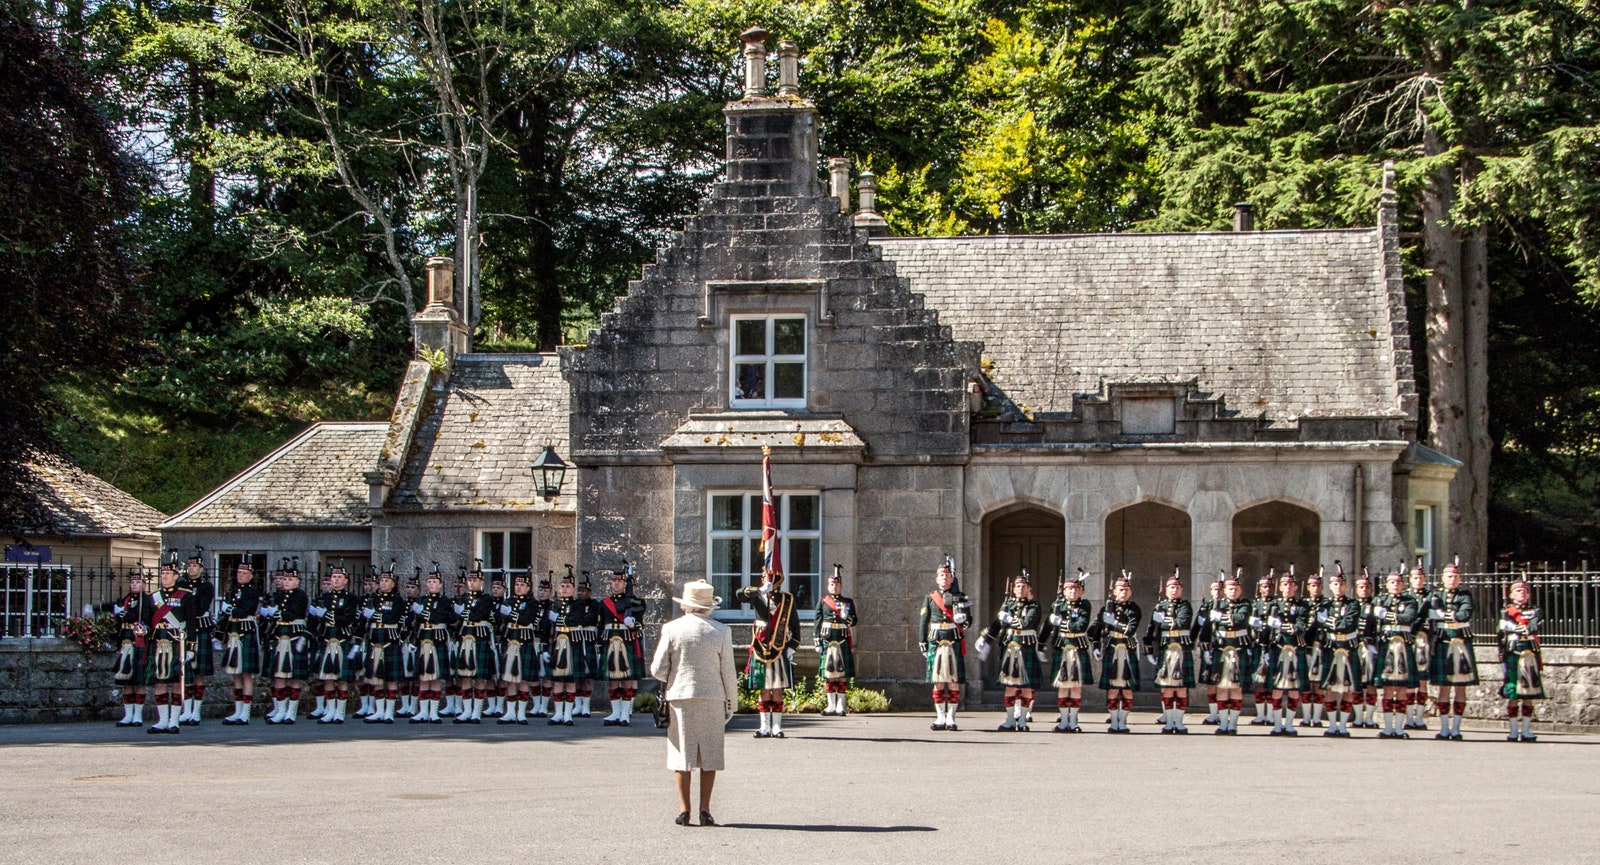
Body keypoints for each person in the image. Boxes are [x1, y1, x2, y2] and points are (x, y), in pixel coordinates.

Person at [650, 579, 737, 828]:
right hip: (712, 696)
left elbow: (657, 668)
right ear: (709, 606)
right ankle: (705, 810)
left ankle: (684, 810)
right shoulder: (721, 631)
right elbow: (728, 672)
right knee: (710, 754)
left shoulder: (672, 629)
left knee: (682, 754)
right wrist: (731, 703)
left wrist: (672, 676)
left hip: (680, 695)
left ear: (685, 604)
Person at [736, 570, 800, 738]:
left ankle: (777, 727)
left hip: (779, 647)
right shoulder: (757, 596)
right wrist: (759, 591)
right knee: (764, 689)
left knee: (777, 689)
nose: (765, 579)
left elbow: (795, 624)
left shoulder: (786, 599)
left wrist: (792, 646)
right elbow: (739, 595)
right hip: (760, 647)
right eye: (764, 577)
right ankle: (764, 727)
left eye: (769, 577)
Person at [979, 573, 1043, 731]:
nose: (1020, 589)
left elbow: (1027, 623)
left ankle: (1022, 720)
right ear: (1014, 589)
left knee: (1026, 686)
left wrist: (1009, 620)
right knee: (1010, 686)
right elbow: (998, 624)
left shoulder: (1034, 606)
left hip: (1026, 647)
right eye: (1018, 586)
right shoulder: (1007, 604)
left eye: (1023, 586)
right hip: (1010, 648)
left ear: (1029, 589)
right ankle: (1009, 719)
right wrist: (987, 639)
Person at [918, 561, 971, 731]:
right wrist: (922, 641)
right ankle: (940, 717)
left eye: (947, 576)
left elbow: (968, 621)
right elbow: (923, 621)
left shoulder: (961, 597)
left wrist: (963, 619)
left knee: (953, 682)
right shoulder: (930, 597)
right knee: (938, 682)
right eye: (941, 575)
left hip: (953, 640)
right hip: (936, 642)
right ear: (936, 579)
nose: (944, 578)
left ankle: (951, 718)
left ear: (952, 578)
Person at [145, 561, 197, 734]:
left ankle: (174, 720)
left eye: (168, 574)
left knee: (176, 682)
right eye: (162, 574)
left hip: (177, 642)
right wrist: (143, 629)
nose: (164, 576)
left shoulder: (186, 596)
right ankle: (162, 721)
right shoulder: (153, 597)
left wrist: (191, 647)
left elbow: (191, 623)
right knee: (159, 682)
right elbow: (147, 621)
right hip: (159, 641)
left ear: (176, 576)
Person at [1429, 562, 1477, 740]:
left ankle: (1456, 729)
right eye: (1449, 576)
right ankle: (1444, 728)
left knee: (1460, 687)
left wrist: (1442, 614)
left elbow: (1465, 614)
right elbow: (1427, 613)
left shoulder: (1465, 595)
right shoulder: (1436, 595)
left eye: (1456, 576)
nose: (1452, 579)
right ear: (1443, 578)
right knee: (1444, 688)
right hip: (1443, 642)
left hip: (1461, 643)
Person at [1041, 573, 1094, 733]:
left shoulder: (1084, 605)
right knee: (1063, 686)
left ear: (1081, 591)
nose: (1072, 592)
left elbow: (1081, 625)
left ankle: (1073, 721)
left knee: (1076, 687)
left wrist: (1063, 623)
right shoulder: (1058, 604)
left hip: (1078, 647)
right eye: (1069, 589)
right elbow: (1047, 626)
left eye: (1075, 589)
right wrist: (1041, 643)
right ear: (1063, 591)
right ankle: (1063, 720)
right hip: (1062, 646)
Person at [1144, 573, 1194, 734]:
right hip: (1165, 649)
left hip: (1180, 648)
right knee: (1166, 687)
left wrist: (1163, 621)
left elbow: (1182, 622)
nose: (1174, 590)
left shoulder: (1185, 606)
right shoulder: (1160, 606)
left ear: (1181, 589)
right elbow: (1151, 630)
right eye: (1171, 587)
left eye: (1177, 587)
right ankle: (1169, 721)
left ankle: (1179, 723)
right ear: (1166, 589)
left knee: (1181, 688)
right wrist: (1149, 650)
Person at [1373, 570, 1421, 739]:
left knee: (1401, 688)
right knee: (1387, 689)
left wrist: (1386, 615)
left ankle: (1399, 728)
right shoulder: (1380, 600)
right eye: (1392, 582)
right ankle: (1388, 728)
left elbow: (1408, 617)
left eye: (1399, 582)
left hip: (1403, 645)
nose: (1395, 585)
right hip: (1386, 645)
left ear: (1403, 585)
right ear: (1387, 585)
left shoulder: (1410, 601)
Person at [310, 564, 360, 724]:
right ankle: (330, 711)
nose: (336, 580)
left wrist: (327, 615)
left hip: (341, 639)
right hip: (326, 640)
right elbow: (315, 621)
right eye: (333, 577)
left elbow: (348, 619)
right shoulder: (324, 598)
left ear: (346, 581)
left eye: (339, 577)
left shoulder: (351, 598)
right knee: (328, 679)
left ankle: (340, 712)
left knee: (342, 679)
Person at [1203, 573, 1253, 735]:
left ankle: (1233, 724)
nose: (1233, 591)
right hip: (1221, 648)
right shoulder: (1217, 604)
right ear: (1224, 590)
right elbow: (1207, 629)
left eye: (1236, 589)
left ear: (1240, 590)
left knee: (1236, 688)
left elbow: (1241, 619)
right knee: (1222, 688)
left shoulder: (1245, 604)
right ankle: (1223, 723)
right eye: (1230, 588)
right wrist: (1206, 649)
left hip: (1238, 648)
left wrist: (1222, 617)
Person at [546, 568, 595, 726]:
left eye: (568, 586)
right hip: (558, 644)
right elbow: (548, 624)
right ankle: (558, 714)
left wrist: (559, 619)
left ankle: (568, 714)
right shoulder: (555, 604)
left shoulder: (578, 604)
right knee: (558, 681)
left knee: (571, 682)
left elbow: (576, 619)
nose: (565, 589)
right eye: (562, 586)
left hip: (573, 643)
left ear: (573, 589)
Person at [599, 566, 648, 727]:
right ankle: (615, 712)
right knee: (613, 679)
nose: (615, 583)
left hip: (626, 641)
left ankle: (625, 713)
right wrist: (599, 647)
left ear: (625, 583)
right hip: (610, 641)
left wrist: (633, 624)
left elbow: (640, 624)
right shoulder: (605, 603)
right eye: (613, 580)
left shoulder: (636, 602)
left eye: (619, 581)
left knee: (627, 679)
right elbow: (601, 625)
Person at [263, 560, 310, 725]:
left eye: (290, 579)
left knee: (294, 677)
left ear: (297, 581)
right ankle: (281, 710)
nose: (286, 582)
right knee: (279, 675)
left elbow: (292, 613)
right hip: (279, 637)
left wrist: (277, 614)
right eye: (285, 579)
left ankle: (291, 711)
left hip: (294, 637)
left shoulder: (300, 596)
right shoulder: (278, 595)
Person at [1265, 571, 1311, 736]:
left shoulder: (1302, 605)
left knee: (1294, 688)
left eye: (1291, 585)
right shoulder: (1274, 605)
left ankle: (1289, 724)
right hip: (1277, 649)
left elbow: (1301, 627)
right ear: (1280, 587)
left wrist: (1281, 626)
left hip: (1295, 649)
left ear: (1296, 587)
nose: (1288, 587)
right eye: (1285, 584)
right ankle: (1277, 724)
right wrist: (1265, 649)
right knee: (1276, 688)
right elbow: (1266, 630)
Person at [1319, 571, 1365, 738]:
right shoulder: (1325, 604)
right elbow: (1318, 621)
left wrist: (1330, 622)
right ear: (1330, 586)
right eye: (1335, 584)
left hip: (1348, 648)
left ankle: (1343, 726)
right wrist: (1334, 623)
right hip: (1331, 648)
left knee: (1348, 688)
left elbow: (1349, 623)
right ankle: (1332, 725)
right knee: (1330, 688)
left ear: (1345, 586)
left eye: (1341, 584)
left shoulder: (1353, 604)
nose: (1338, 587)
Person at [410, 566, 458, 723]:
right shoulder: (421, 600)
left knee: (436, 677)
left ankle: (434, 712)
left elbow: (440, 617)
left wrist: (424, 613)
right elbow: (414, 620)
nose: (431, 584)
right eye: (429, 582)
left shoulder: (444, 601)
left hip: (437, 638)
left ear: (440, 584)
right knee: (424, 678)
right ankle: (423, 712)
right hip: (424, 638)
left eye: (434, 582)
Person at [1096, 575, 1142, 733]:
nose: (1124, 592)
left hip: (1127, 648)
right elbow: (1095, 628)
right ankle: (1114, 720)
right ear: (1114, 591)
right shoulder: (1107, 608)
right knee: (1113, 689)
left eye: (1126, 590)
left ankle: (1123, 721)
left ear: (1131, 592)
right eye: (1121, 589)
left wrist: (1114, 623)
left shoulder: (1134, 609)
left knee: (1127, 689)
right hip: (1111, 647)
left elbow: (1130, 630)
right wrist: (1095, 646)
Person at [106, 569, 152, 727]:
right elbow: (115, 610)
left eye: (138, 582)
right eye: (132, 582)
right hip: (125, 642)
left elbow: (142, 617)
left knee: (139, 682)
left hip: (138, 642)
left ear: (144, 584)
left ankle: (138, 716)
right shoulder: (126, 599)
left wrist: (124, 615)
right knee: (126, 681)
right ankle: (128, 715)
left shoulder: (146, 600)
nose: (134, 585)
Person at [1499, 579, 1543, 743]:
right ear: (1511, 595)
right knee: (1513, 691)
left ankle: (1526, 730)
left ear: (1528, 595)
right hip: (1513, 651)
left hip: (1529, 652)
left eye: (1524, 591)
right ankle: (1513, 731)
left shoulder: (1535, 610)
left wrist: (1523, 628)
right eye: (1518, 591)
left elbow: (1535, 625)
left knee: (1528, 692)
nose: (1522, 593)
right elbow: (1502, 629)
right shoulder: (1506, 611)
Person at [220, 559, 263, 725]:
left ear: (251, 575)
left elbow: (245, 611)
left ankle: (245, 712)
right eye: (239, 572)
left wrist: (230, 609)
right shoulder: (232, 590)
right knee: (235, 674)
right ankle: (237, 711)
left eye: (244, 573)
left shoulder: (252, 591)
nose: (241, 575)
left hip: (246, 632)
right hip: (234, 632)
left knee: (246, 674)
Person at [453, 564, 497, 724]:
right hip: (466, 637)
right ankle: (466, 711)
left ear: (481, 581)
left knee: (479, 678)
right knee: (465, 677)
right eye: (470, 580)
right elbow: (455, 617)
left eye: (475, 580)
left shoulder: (486, 598)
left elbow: (480, 614)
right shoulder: (463, 598)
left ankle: (477, 712)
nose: (472, 583)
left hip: (479, 637)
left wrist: (466, 613)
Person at [363, 566, 406, 723]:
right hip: (375, 640)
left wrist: (375, 616)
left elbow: (393, 617)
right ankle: (379, 711)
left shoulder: (397, 600)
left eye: (387, 580)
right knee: (377, 678)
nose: (383, 583)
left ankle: (389, 712)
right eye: (381, 580)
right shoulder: (373, 599)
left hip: (389, 639)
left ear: (393, 584)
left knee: (391, 679)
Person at [813, 565, 858, 717]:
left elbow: (854, 621)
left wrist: (847, 617)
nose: (834, 586)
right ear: (828, 586)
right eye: (832, 584)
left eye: (837, 584)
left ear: (841, 586)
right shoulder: (823, 602)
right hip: (827, 639)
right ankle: (831, 705)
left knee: (842, 674)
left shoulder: (848, 602)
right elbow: (817, 622)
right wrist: (817, 641)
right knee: (829, 673)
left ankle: (840, 705)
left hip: (842, 639)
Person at [499, 573, 542, 724]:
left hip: (524, 640)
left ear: (528, 587)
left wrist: (511, 614)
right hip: (511, 639)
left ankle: (521, 713)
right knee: (510, 679)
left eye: (522, 585)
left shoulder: (532, 603)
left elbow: (526, 619)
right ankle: (510, 712)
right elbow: (501, 619)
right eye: (517, 584)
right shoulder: (509, 601)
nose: (518, 587)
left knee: (524, 679)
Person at [177, 550, 214, 726]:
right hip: (185, 629)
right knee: (186, 673)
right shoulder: (181, 584)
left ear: (201, 568)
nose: (191, 568)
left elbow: (201, 608)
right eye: (189, 565)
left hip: (200, 628)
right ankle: (186, 710)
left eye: (195, 566)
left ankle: (196, 712)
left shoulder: (206, 587)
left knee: (199, 673)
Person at [1405, 564, 1436, 730]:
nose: (1418, 581)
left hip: (1425, 641)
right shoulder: (1405, 596)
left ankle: (1419, 718)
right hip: (1408, 641)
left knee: (1423, 681)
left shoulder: (1431, 597)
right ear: (1410, 579)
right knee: (1410, 682)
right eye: (1415, 578)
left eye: (1421, 578)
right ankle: (1409, 718)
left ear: (1424, 579)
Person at [1352, 571, 1381, 728]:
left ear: (1371, 589)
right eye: (1361, 587)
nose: (1364, 590)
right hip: (1355, 646)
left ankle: (1369, 718)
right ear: (1356, 589)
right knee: (1356, 683)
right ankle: (1358, 718)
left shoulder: (1376, 606)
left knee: (1371, 684)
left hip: (1371, 647)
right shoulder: (1352, 606)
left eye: (1367, 587)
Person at [1194, 576, 1224, 725]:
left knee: (1224, 683)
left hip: (1223, 648)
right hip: (1209, 648)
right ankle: (1213, 714)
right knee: (1210, 683)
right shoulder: (1206, 607)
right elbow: (1197, 628)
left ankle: (1224, 714)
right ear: (1210, 591)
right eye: (1214, 589)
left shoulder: (1227, 606)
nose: (1217, 592)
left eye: (1219, 589)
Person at [1248, 574, 1277, 725]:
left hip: (1272, 646)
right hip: (1258, 645)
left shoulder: (1277, 604)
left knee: (1271, 682)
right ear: (1259, 589)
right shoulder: (1255, 604)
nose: (1267, 589)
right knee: (1259, 681)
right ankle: (1260, 715)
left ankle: (1270, 715)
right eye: (1264, 587)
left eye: (1269, 586)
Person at [1302, 572, 1330, 728]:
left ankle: (1317, 718)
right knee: (1306, 683)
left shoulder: (1328, 604)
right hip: (1306, 646)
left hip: (1321, 646)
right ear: (1308, 587)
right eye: (1313, 585)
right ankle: (1306, 718)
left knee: (1318, 684)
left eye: (1318, 586)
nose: (1315, 588)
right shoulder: (1303, 604)